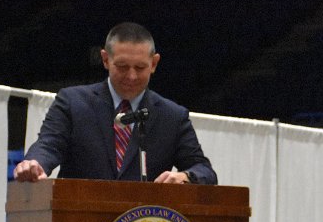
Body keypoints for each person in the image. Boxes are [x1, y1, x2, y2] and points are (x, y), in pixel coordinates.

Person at [13, 22, 217, 184]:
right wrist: (35, 164)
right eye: (122, 66)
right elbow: (49, 145)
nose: (131, 76)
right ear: (105, 59)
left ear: (154, 63)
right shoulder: (73, 102)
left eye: (140, 67)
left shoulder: (172, 116)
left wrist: (186, 177)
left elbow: (204, 171)